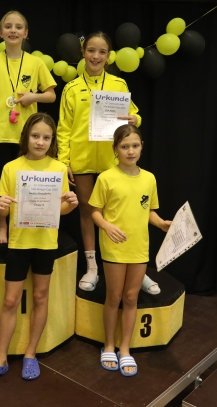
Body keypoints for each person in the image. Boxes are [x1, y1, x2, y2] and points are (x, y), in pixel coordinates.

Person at [0, 113, 78, 385]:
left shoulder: (59, 168)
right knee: (10, 301)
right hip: (19, 242)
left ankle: (30, 354)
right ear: (25, 137)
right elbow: (3, 205)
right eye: (35, 136)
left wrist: (71, 204)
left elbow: (61, 208)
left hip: (46, 242)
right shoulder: (11, 167)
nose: (40, 142)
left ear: (52, 140)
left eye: (46, 137)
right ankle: (0, 359)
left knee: (40, 297)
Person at [57, 31, 160, 295]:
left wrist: (136, 119)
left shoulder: (118, 84)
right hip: (81, 159)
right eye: (91, 50)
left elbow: (134, 114)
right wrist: (63, 161)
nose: (96, 56)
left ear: (109, 56)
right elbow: (64, 128)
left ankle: (136, 267)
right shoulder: (71, 88)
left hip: (112, 159)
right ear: (83, 52)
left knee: (122, 211)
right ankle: (92, 267)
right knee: (86, 211)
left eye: (101, 52)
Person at [89, 124, 171, 376]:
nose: (130, 151)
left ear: (142, 147)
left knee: (131, 297)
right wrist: (106, 226)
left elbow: (149, 211)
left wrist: (162, 224)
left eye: (135, 145)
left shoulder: (149, 178)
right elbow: (94, 211)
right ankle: (108, 345)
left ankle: (125, 348)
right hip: (114, 247)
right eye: (125, 146)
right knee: (114, 296)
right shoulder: (106, 178)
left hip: (139, 247)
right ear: (115, 149)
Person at [0, 10, 57, 243]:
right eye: (8, 26)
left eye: (18, 27)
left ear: (26, 33)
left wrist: (33, 97)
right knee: (2, 186)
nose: (13, 30)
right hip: (0, 133)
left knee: (27, 183)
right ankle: (2, 226)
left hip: (29, 136)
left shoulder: (36, 62)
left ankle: (27, 224)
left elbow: (51, 95)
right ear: (0, 32)